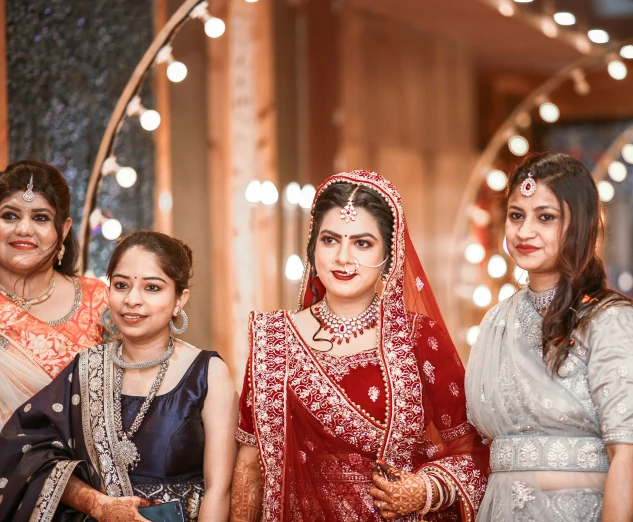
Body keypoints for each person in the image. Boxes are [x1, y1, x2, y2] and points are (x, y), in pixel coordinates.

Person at [229, 170, 488, 521]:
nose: (343, 257)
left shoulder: (418, 340)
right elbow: (249, 462)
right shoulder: (273, 340)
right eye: (330, 240)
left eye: (362, 243)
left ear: (389, 255)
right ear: (312, 248)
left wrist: (427, 489)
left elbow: (472, 449)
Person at [466, 152, 633, 521]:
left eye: (546, 217)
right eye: (516, 216)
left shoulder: (611, 320)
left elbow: (629, 455)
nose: (524, 232)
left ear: (581, 225)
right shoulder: (496, 322)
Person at [0, 231, 237, 521]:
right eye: (121, 285)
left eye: (152, 288)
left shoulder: (208, 372)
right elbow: (26, 450)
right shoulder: (85, 369)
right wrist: (98, 504)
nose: (132, 300)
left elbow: (219, 490)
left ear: (179, 299)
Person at [0, 160, 108, 426]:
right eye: (9, 215)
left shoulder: (99, 301)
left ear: (64, 230)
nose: (23, 229)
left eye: (40, 218)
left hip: (80, 464)